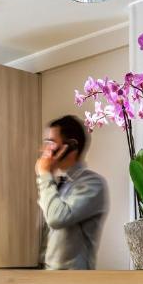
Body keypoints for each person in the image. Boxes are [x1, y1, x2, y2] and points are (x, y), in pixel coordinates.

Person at [35, 115, 109, 270]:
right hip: (48, 281)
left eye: (51, 142)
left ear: (71, 146)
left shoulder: (93, 184)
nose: (45, 149)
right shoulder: (57, 185)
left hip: (74, 283)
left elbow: (56, 218)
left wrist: (44, 174)